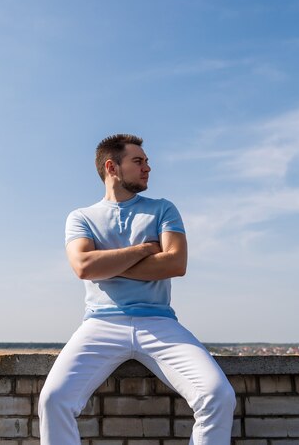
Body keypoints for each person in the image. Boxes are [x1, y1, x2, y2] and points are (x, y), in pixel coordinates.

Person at [39, 133, 236, 445]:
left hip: (159, 323)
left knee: (218, 395)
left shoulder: (162, 209)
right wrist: (145, 250)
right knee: (53, 400)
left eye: (146, 161)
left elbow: (175, 264)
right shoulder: (81, 217)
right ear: (112, 167)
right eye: (138, 161)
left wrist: (107, 264)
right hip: (100, 324)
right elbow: (83, 268)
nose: (148, 168)